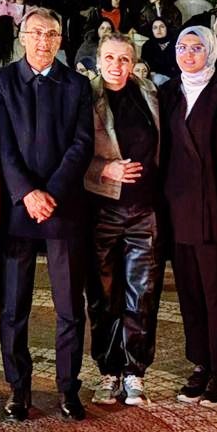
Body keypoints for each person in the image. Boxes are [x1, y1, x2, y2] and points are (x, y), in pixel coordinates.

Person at [0, 7, 95, 421]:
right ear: (22, 36)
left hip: (64, 211)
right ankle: (19, 389)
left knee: (69, 307)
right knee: (14, 306)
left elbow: (81, 145)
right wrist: (27, 192)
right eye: (35, 33)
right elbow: (1, 144)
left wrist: (51, 193)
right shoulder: (1, 82)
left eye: (51, 33)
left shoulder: (77, 85)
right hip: (18, 211)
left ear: (60, 39)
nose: (43, 41)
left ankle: (68, 388)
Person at [160, 26, 217, 407]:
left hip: (212, 205)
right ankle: (199, 363)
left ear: (210, 51)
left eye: (197, 47)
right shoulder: (165, 94)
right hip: (176, 206)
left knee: (216, 293)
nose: (189, 54)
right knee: (189, 292)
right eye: (182, 47)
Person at [84, 33, 165, 407]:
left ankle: (134, 372)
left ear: (134, 63)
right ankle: (108, 371)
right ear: (98, 60)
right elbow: (70, 151)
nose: (117, 66)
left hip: (144, 209)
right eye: (110, 58)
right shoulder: (85, 96)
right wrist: (105, 169)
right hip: (102, 209)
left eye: (125, 59)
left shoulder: (148, 92)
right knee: (103, 296)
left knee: (143, 293)